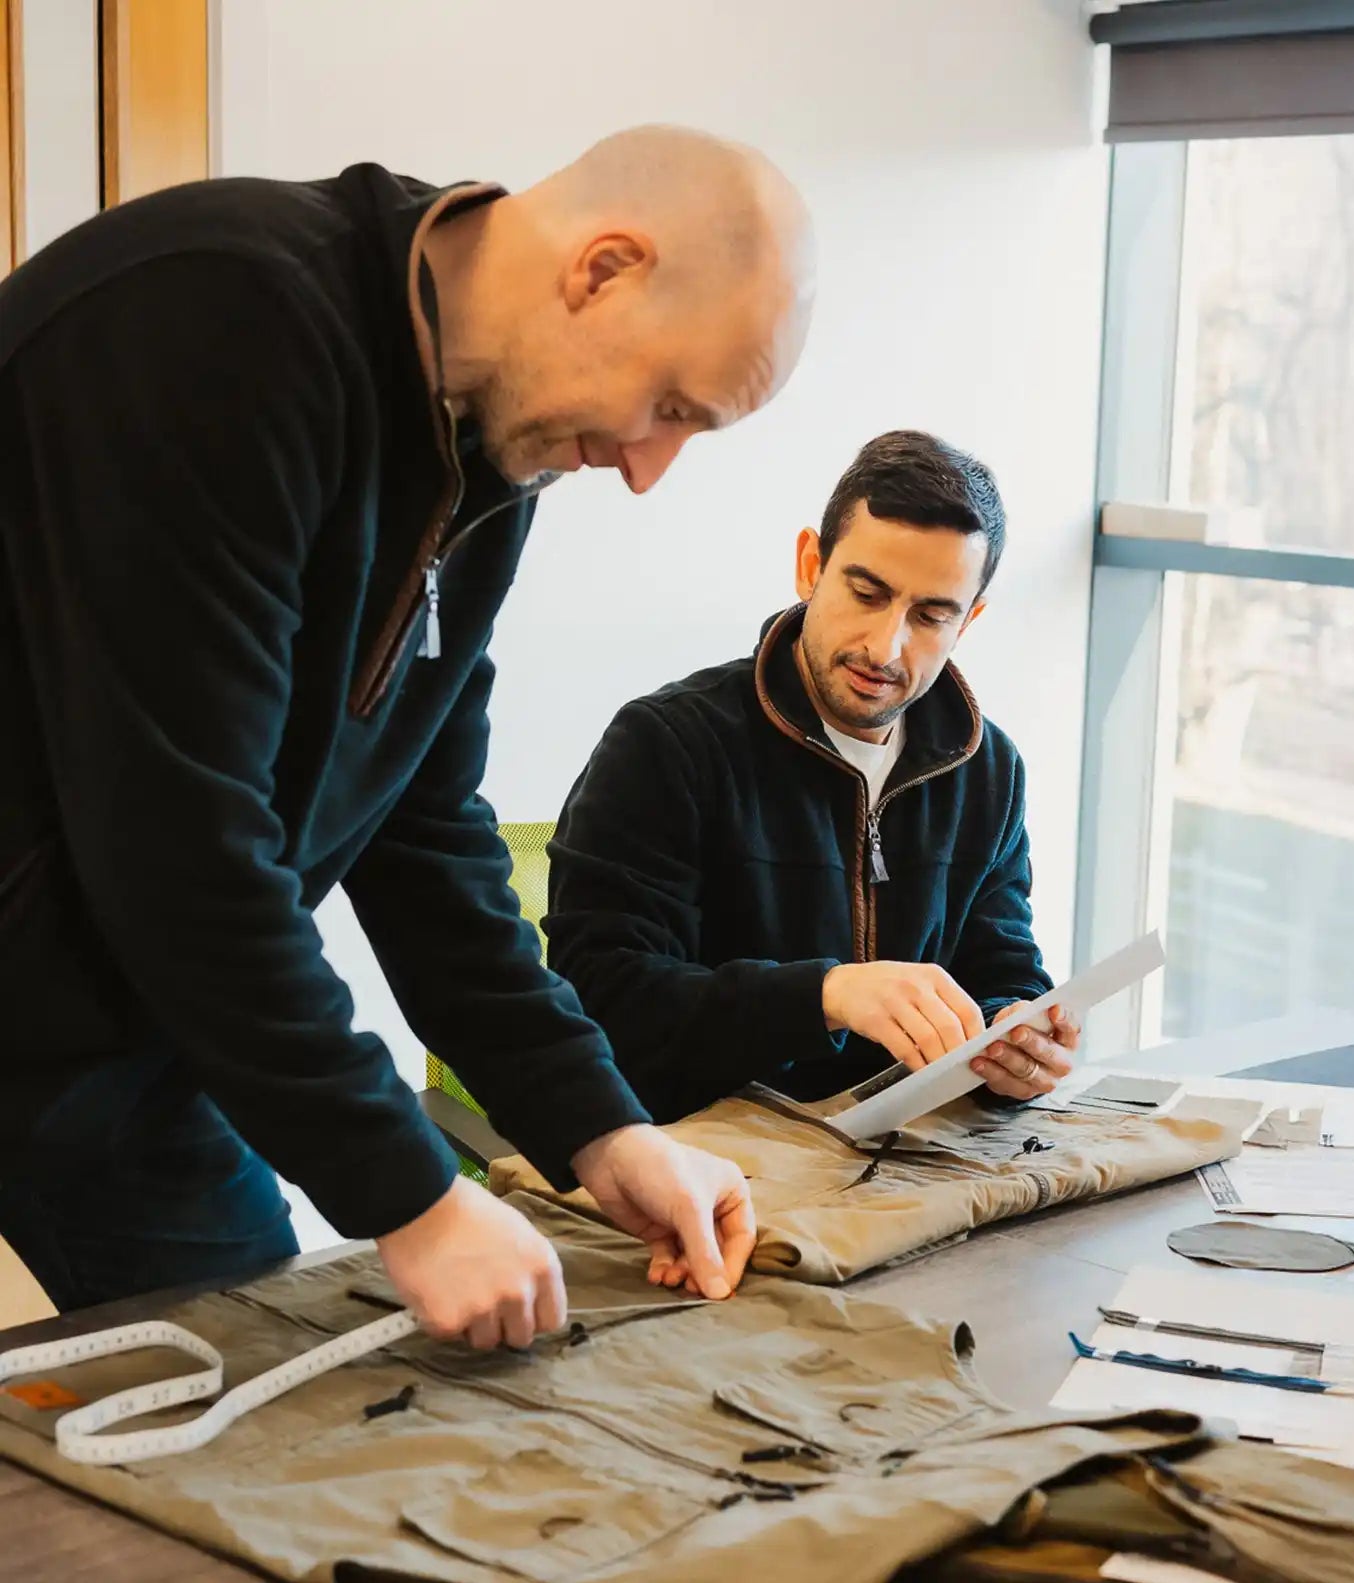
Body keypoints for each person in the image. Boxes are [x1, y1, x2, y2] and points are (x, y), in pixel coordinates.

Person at [0, 125, 816, 1346]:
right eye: (667, 406)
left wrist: (600, 1126)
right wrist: (413, 1195)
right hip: (104, 944)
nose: (647, 468)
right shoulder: (217, 323)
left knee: (254, 1366)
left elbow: (423, 825)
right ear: (602, 270)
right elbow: (180, 845)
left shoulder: (487, 454)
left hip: (114, 1015)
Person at [547, 430, 1079, 1124]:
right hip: (704, 1153)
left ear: (967, 622)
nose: (885, 647)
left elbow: (1003, 966)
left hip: (909, 1152)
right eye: (867, 593)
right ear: (810, 566)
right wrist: (827, 997)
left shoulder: (988, 769)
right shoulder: (667, 744)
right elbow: (600, 999)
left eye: (930, 616)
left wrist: (1020, 1037)